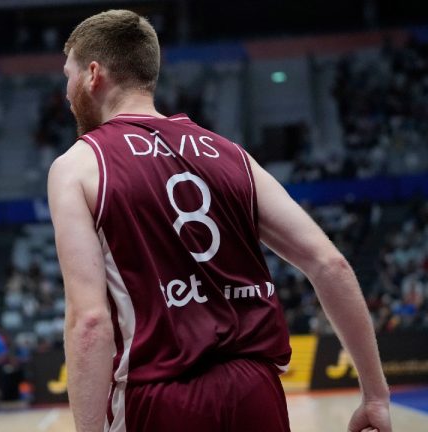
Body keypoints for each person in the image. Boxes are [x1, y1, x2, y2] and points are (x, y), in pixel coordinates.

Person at [47, 10, 391, 432]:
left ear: (93, 74)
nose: (65, 92)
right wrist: (374, 394)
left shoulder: (80, 165)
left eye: (69, 75)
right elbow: (330, 264)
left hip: (161, 397)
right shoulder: (231, 154)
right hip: (255, 390)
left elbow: (91, 321)